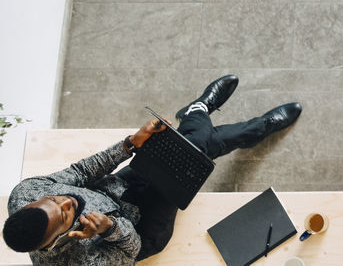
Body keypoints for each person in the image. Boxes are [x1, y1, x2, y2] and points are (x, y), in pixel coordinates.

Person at [4, 75, 301, 264]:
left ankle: (209, 117)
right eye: (66, 214)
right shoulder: (75, 263)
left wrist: (130, 143)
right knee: (190, 157)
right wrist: (109, 228)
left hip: (117, 188)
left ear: (30, 203)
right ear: (54, 239)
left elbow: (82, 172)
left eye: (55, 200)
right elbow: (130, 252)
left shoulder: (26, 192)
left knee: (186, 148)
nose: (67, 201)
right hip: (143, 230)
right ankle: (201, 113)